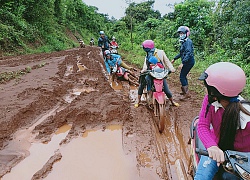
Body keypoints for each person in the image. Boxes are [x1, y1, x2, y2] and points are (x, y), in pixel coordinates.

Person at [195, 62, 250, 180]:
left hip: (243, 157)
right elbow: (203, 125)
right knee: (201, 178)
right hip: (216, 148)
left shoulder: (246, 115)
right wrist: (212, 146)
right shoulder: (210, 102)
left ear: (214, 93)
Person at [135, 40, 179, 108]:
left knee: (166, 90)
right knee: (142, 84)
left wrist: (172, 69)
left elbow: (167, 61)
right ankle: (138, 100)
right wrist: (143, 70)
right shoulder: (147, 55)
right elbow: (145, 65)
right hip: (150, 73)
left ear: (146, 48)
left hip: (160, 73)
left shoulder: (160, 52)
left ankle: (172, 101)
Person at [171, 26, 195, 99]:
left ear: (186, 33)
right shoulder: (184, 42)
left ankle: (186, 93)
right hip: (187, 61)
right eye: (180, 33)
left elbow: (188, 53)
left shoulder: (188, 42)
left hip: (189, 62)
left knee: (182, 76)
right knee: (183, 76)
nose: (181, 35)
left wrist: (183, 63)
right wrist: (174, 58)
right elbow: (181, 53)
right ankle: (185, 91)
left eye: (182, 33)